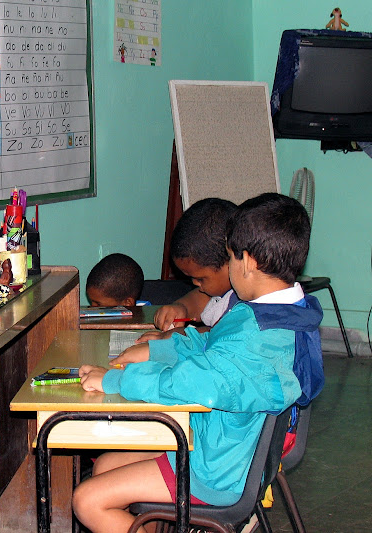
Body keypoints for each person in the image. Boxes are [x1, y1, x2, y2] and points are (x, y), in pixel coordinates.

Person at [72, 193, 323, 533]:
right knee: (104, 467)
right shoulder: (277, 316)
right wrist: (158, 349)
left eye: (231, 257)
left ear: (246, 261)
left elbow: (189, 382)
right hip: (220, 446)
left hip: (219, 470)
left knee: (87, 500)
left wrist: (116, 380)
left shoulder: (256, 337)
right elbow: (211, 346)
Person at [151, 198, 238, 334]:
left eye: (201, 279)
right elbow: (203, 297)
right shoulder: (225, 287)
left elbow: (221, 336)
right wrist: (181, 307)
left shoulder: (251, 300)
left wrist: (179, 337)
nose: (195, 283)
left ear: (232, 262)